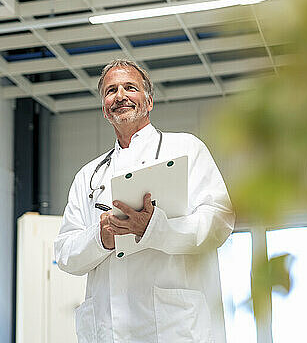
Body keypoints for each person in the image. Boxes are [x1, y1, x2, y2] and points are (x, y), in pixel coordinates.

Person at [54, 59, 235, 343]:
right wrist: (101, 237)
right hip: (108, 329)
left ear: (149, 101)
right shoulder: (88, 175)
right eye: (111, 90)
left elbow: (219, 222)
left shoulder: (186, 149)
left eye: (130, 88)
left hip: (174, 327)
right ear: (104, 107)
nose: (121, 95)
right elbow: (65, 253)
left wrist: (155, 228)